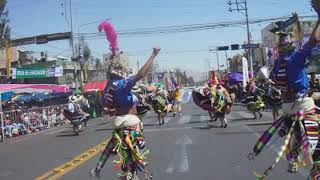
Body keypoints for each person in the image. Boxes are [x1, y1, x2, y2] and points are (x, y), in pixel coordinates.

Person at [249, 1, 320, 178]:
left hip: (288, 108)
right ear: (291, 47)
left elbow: (270, 81)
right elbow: (314, 40)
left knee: (293, 133)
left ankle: (294, 157)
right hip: (302, 105)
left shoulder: (277, 64)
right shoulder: (296, 59)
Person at [90, 47, 160, 179]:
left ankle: (98, 168)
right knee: (133, 155)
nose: (125, 72)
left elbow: (105, 107)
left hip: (119, 124)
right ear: (119, 72)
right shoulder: (122, 84)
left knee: (119, 149)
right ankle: (135, 174)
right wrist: (153, 55)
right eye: (123, 70)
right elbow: (141, 74)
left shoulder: (107, 89)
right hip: (130, 123)